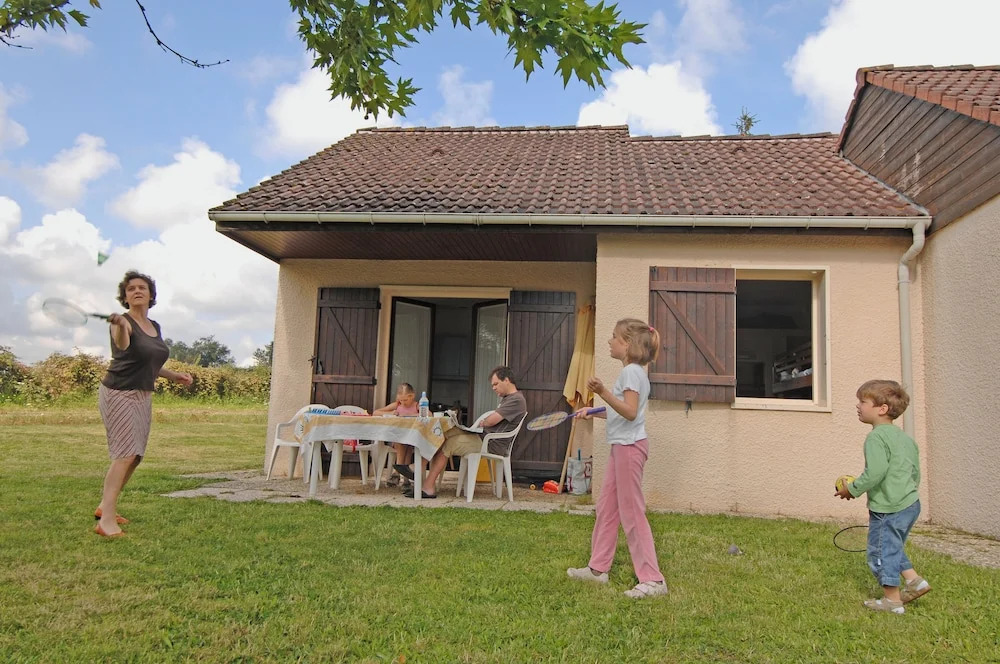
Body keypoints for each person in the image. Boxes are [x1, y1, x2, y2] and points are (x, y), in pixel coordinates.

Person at [567, 318, 668, 599]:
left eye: (614, 337)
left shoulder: (632, 373)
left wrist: (602, 392)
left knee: (631, 512)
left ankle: (653, 580)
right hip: (621, 447)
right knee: (607, 508)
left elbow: (631, 412)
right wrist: (593, 411)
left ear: (627, 344)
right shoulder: (632, 373)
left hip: (629, 448)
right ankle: (597, 569)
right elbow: (622, 408)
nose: (609, 341)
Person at [94, 271, 192, 537]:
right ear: (125, 297)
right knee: (124, 455)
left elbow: (148, 362)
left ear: (150, 295)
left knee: (135, 457)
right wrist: (120, 326)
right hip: (118, 392)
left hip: (142, 395)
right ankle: (106, 522)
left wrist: (174, 375)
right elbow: (124, 345)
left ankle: (104, 507)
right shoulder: (122, 322)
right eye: (131, 289)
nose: (137, 291)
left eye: (142, 288)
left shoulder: (154, 326)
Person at [835, 379, 930, 614]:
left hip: (889, 507)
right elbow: (915, 472)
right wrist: (907, 493)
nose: (858, 406)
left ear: (882, 408)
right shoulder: (905, 438)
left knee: (880, 551)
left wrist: (852, 489)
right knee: (891, 545)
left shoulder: (876, 438)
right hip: (910, 503)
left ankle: (892, 601)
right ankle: (914, 581)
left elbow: (875, 472)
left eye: (863, 401)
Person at [403, 366, 526, 499]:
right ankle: (418, 467)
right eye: (492, 385)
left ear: (506, 380)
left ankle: (428, 487)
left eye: (496, 384)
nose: (493, 388)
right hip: (483, 437)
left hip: (491, 444)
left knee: (449, 444)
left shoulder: (516, 400)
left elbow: (491, 421)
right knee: (443, 433)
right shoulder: (508, 398)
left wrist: (485, 422)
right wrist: (483, 422)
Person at [373, 382, 419, 487]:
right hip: (398, 438)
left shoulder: (417, 406)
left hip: (413, 438)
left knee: (406, 443)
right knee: (401, 441)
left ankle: (397, 472)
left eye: (405, 400)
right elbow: (376, 412)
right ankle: (403, 475)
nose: (403, 402)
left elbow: (428, 414)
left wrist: (408, 414)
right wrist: (390, 413)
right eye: (401, 400)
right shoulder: (397, 405)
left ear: (412, 396)